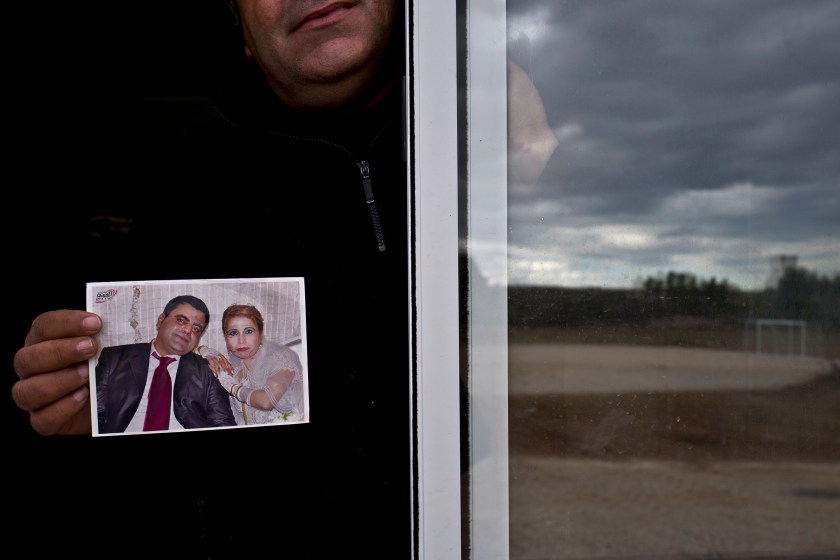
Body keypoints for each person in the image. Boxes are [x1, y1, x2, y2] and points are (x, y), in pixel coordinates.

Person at [10, 1, 410, 557]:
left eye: (214, 329)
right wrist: (82, 406)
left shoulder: (495, 161)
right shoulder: (161, 193)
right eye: (196, 326)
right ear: (244, 33)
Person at [96, 295, 236, 434]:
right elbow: (95, 416)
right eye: (181, 320)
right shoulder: (114, 358)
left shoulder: (208, 371)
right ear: (161, 321)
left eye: (196, 329)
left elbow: (222, 422)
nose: (187, 330)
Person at [200, 303, 306, 425]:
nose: (241, 340)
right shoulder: (234, 364)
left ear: (260, 334)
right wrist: (209, 355)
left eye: (248, 331)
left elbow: (267, 401)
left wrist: (230, 385)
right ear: (225, 337)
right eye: (233, 333)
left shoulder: (282, 358)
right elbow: (192, 348)